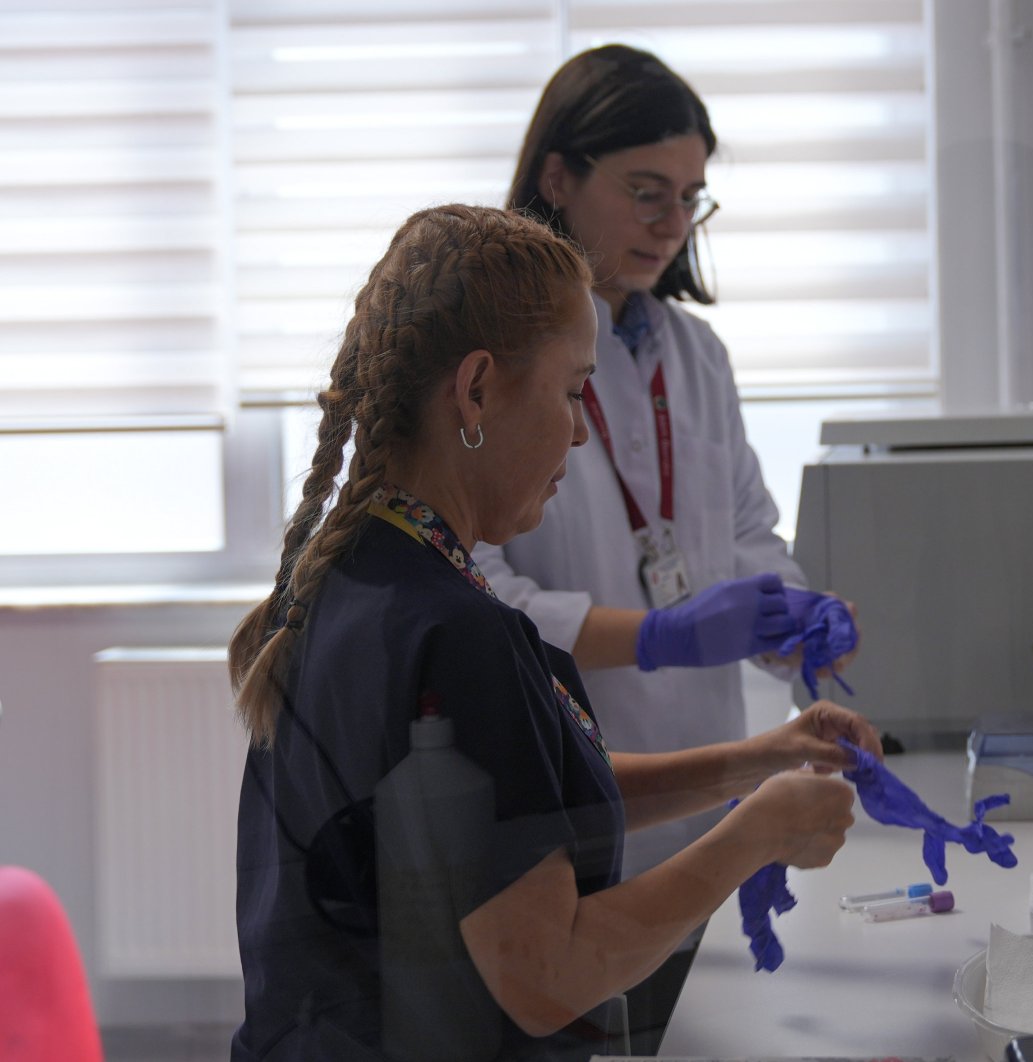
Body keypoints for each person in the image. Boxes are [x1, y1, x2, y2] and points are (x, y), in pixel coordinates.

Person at [227, 204, 877, 1061]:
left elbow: (516, 809)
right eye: (572, 390)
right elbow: (547, 977)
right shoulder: (457, 632)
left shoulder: (363, 573)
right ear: (477, 389)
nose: (579, 428)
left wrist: (754, 760)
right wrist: (755, 833)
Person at [476, 45, 860, 1047]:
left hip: (704, 804)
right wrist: (654, 636)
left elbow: (743, 532)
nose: (671, 223)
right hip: (568, 808)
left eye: (692, 197)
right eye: (645, 191)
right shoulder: (501, 357)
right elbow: (477, 597)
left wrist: (788, 618)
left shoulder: (693, 354)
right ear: (556, 178)